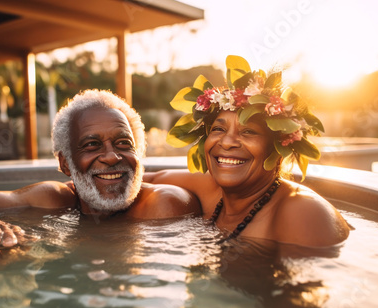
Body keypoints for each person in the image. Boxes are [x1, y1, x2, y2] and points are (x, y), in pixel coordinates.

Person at [0, 90, 201, 248]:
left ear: (139, 154)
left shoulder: (163, 206)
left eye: (123, 143)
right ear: (65, 164)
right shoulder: (53, 199)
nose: (110, 156)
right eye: (92, 145)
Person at [144, 55, 351, 247]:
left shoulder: (303, 214)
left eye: (249, 131)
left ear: (280, 146)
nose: (227, 142)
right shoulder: (210, 191)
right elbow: (148, 179)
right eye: (218, 129)